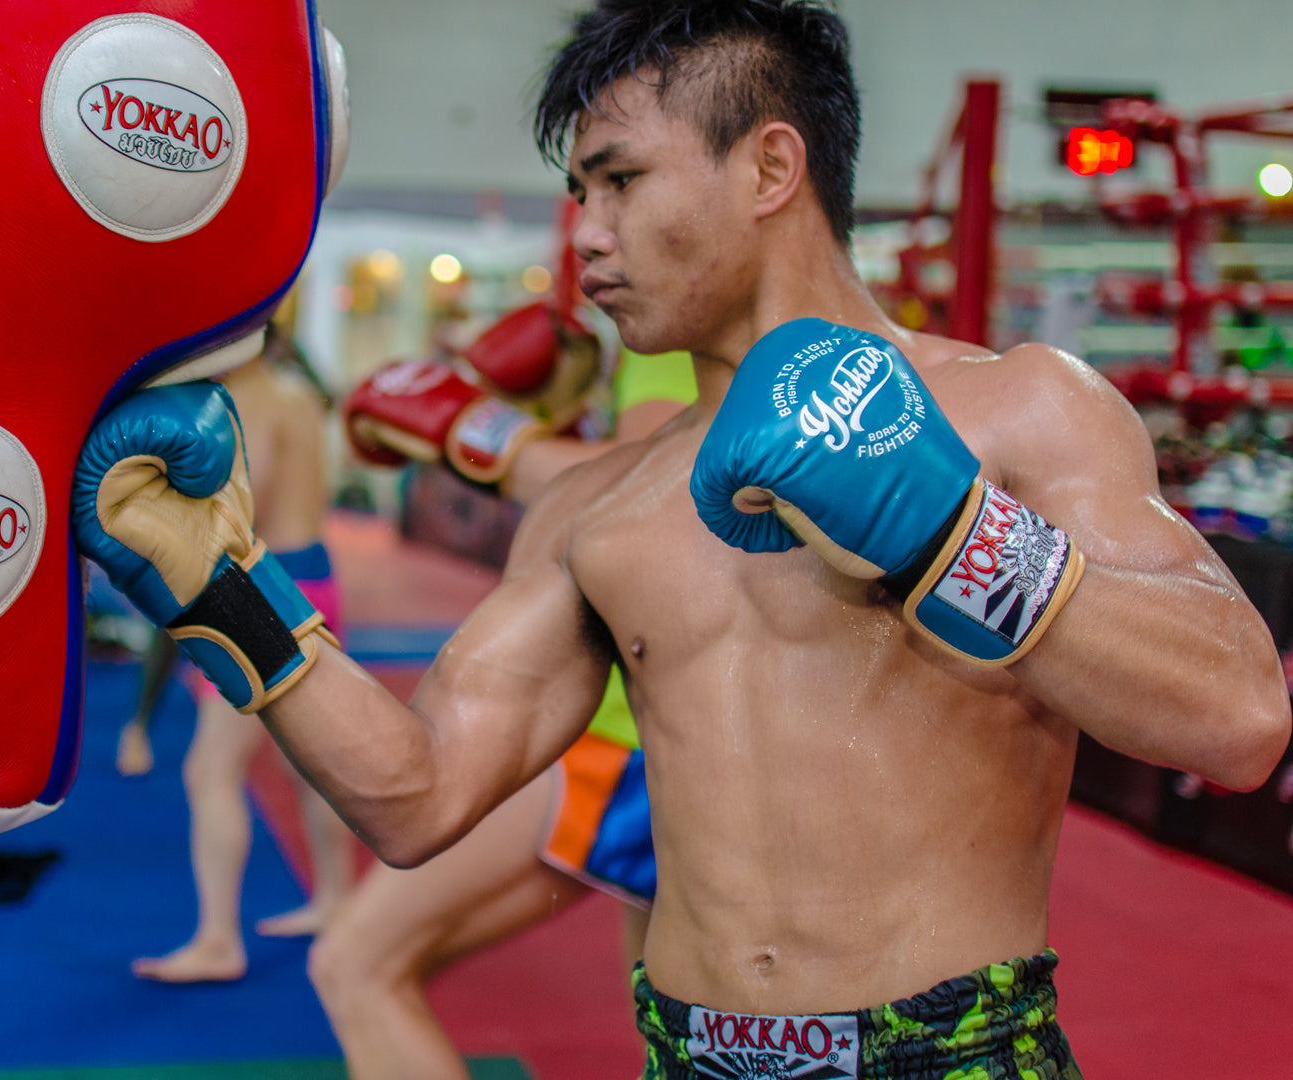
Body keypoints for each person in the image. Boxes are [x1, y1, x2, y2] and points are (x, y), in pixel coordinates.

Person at [74, 2, 1291, 1074]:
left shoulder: (1019, 406)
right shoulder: (595, 505)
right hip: (689, 1058)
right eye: (575, 194)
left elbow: (1236, 721)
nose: (585, 236)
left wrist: (946, 531)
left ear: (768, 166)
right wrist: (223, 585)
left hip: (954, 1056)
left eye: (617, 180)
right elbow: (416, 796)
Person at [311, 340, 694, 1080]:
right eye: (586, 212)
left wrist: (471, 427)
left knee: (356, 963)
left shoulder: (678, 333)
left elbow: (643, 486)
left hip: (613, 736)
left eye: (611, 212)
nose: (593, 236)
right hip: (656, 729)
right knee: (671, 1042)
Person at [127, 332, 360, 982]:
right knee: (307, 764)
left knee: (209, 771)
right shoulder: (297, 392)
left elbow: (236, 504)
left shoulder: (242, 398)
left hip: (260, 586)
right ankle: (336, 900)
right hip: (313, 577)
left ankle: (217, 941)